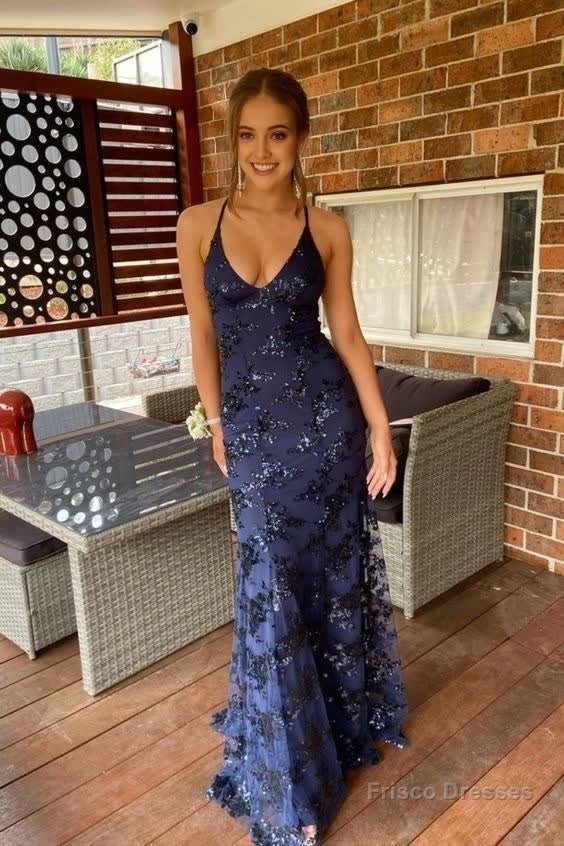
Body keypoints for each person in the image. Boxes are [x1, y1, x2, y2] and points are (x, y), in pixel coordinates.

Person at [176, 67, 409, 846]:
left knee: (325, 581)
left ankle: (327, 734)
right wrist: (215, 422)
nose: (262, 150)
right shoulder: (196, 224)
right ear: (233, 140)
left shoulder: (328, 228)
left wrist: (379, 427)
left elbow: (348, 334)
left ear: (300, 138)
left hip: (325, 428)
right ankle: (290, 771)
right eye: (248, 134)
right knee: (270, 581)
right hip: (250, 434)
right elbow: (202, 333)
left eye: (278, 134)